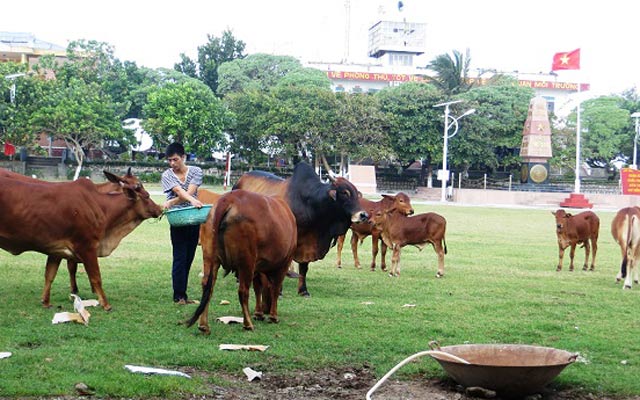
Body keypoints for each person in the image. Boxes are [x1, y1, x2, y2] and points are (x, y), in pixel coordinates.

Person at [161, 143, 203, 305]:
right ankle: (178, 295)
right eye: (170, 160)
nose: (172, 164)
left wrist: (171, 202)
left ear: (183, 157)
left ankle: (182, 293)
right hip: (178, 219)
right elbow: (179, 191)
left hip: (193, 218)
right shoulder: (167, 175)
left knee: (189, 257)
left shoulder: (196, 171)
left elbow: (190, 191)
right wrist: (192, 201)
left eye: (175, 160)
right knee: (179, 256)